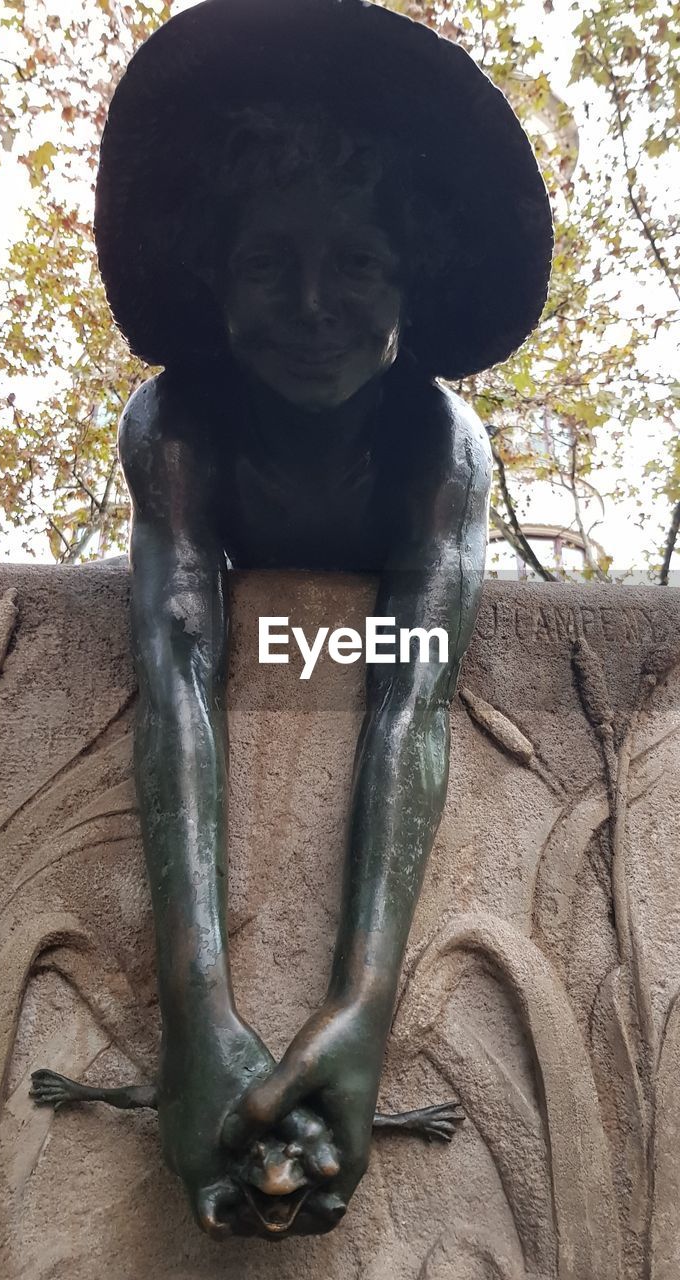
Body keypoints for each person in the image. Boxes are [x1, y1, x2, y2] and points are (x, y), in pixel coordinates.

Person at [94, 0, 553, 1239]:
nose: (310, 304)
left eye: (353, 262)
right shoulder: (178, 426)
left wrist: (364, 1002)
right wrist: (196, 1006)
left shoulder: (440, 449)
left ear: (409, 277)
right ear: (214, 273)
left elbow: (413, 692)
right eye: (267, 263)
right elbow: (178, 664)